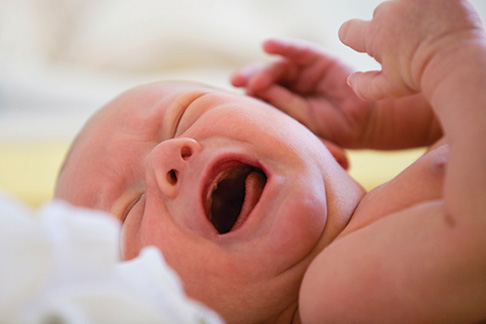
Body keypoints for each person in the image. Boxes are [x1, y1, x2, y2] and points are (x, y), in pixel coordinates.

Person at [55, 0, 486, 323]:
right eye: (130, 214)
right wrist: (449, 51)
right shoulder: (336, 296)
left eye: (184, 116)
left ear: (317, 139)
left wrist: (391, 117)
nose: (168, 156)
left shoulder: (378, 223)